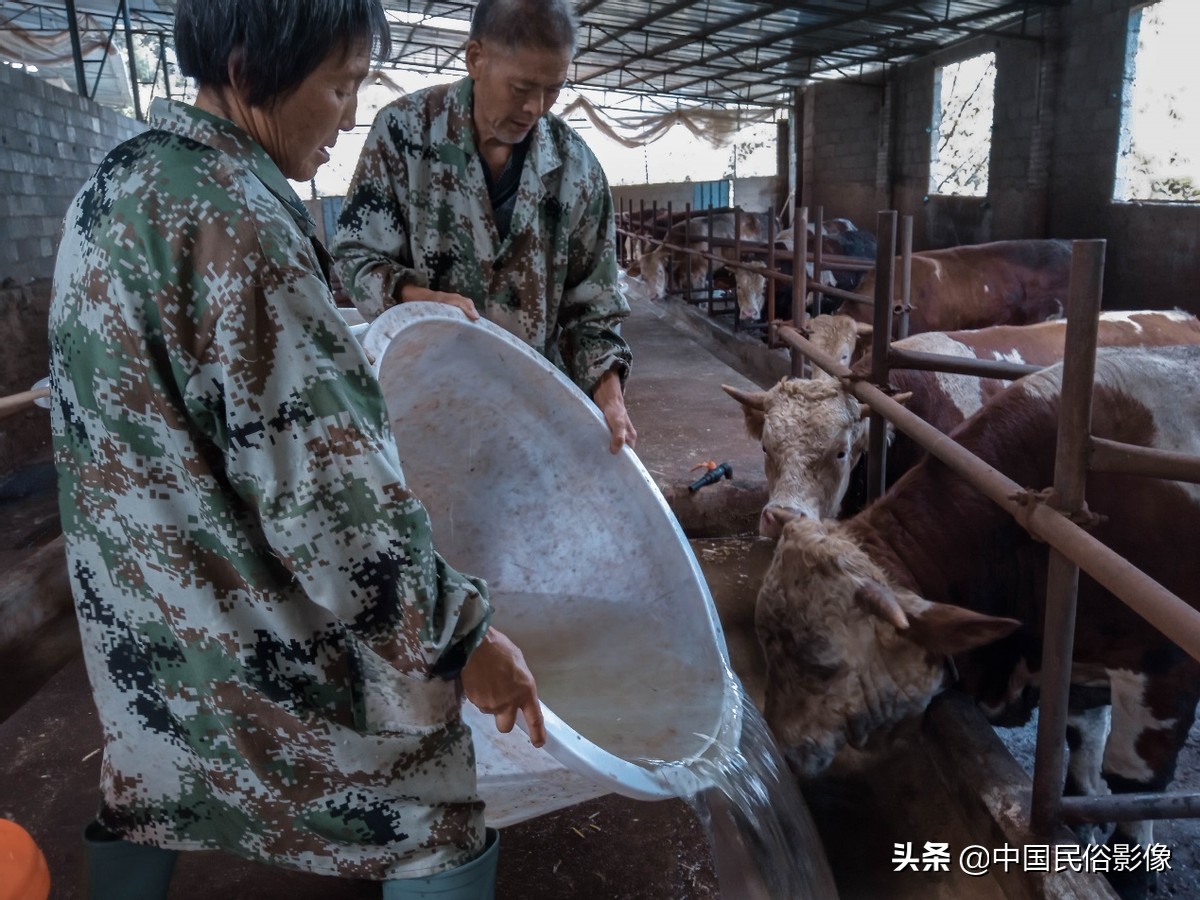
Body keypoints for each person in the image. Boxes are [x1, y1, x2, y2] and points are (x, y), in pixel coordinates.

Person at [48, 2, 544, 898]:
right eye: (341, 85)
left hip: (141, 656)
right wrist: (459, 636)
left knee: (144, 795)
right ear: (249, 71)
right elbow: (333, 503)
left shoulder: (110, 187)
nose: (349, 115)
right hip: (247, 658)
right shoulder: (244, 223)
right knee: (439, 813)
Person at [332, 0, 637, 455]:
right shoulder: (402, 134)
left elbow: (592, 308)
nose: (535, 107)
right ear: (475, 58)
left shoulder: (577, 169)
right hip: (424, 400)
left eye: (552, 91)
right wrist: (425, 302)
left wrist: (608, 393)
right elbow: (357, 255)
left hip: (532, 412)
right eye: (521, 87)